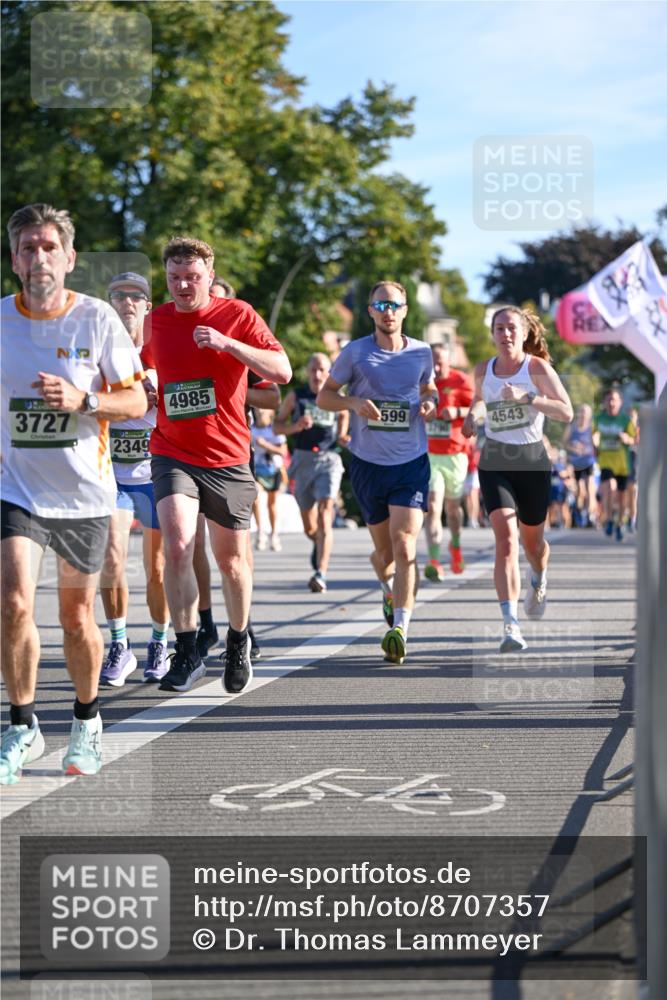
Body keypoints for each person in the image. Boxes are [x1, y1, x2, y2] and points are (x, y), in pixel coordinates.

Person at [1, 204, 146, 783]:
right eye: (28, 248)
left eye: (48, 247)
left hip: (85, 494)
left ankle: (86, 722)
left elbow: (135, 402)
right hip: (17, 488)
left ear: (69, 258)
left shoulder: (97, 319)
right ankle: (22, 726)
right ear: (15, 260)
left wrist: (82, 401)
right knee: (12, 602)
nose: (39, 258)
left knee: (76, 616)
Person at [141, 237, 291, 695]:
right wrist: (146, 387)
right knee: (179, 545)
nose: (183, 285)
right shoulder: (156, 321)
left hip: (227, 456)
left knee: (231, 563)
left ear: (209, 275)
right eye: (173, 278)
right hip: (171, 450)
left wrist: (229, 345)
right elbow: (142, 369)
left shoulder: (238, 315)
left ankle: (239, 638)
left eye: (192, 277)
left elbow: (282, 372)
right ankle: (186, 651)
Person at [316, 281, 437, 664]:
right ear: (370, 310)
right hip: (368, 464)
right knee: (383, 553)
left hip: (411, 461)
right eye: (380, 304)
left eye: (394, 305)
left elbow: (428, 388)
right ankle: (388, 589)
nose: (388, 311)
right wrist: (353, 401)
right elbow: (324, 395)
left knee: (404, 545)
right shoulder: (355, 353)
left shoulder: (422, 352)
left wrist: (431, 402)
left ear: (404, 311)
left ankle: (399, 628)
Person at [462, 306, 573, 653]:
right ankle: (511, 624)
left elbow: (566, 412)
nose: (505, 334)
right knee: (506, 540)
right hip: (495, 460)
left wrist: (528, 398)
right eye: (499, 328)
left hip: (532, 462)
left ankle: (538, 576)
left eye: (511, 328)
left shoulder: (536, 368)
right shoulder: (483, 369)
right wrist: (471, 416)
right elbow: (481, 402)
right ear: (492, 333)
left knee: (533, 546)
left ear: (524, 333)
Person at [98, 272, 171, 685]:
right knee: (111, 559)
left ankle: (160, 641)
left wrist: (159, 396)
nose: (127, 302)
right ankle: (119, 643)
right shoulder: (96, 351)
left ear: (147, 305)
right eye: (119, 296)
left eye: (135, 297)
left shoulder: (163, 350)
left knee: (157, 568)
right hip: (112, 476)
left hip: (155, 473)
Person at [273, 352, 348, 592]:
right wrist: (295, 426)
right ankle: (318, 541)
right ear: (307, 372)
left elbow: (345, 411)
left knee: (326, 511)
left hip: (329, 459)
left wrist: (343, 434)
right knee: (310, 527)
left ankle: (321, 573)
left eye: (322, 370)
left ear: (329, 372)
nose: (317, 375)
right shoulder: (297, 396)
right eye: (313, 370)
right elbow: (276, 425)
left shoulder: (336, 396)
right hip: (303, 459)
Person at [423, 342, 474, 581]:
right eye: (432, 361)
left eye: (440, 361)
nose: (436, 366)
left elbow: (478, 409)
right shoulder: (423, 382)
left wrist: (457, 413)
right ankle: (434, 560)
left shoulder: (461, 381)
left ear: (448, 361)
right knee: (433, 506)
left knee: (453, 509)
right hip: (430, 453)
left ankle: (455, 546)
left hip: (456, 454)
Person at [593, 388, 637, 542]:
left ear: (620, 402)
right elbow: (593, 435)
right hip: (606, 460)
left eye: (614, 400)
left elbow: (635, 439)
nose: (611, 403)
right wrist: (595, 445)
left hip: (623, 464)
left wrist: (626, 439)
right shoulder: (598, 418)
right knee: (609, 489)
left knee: (622, 496)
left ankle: (620, 524)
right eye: (609, 400)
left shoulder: (625, 420)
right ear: (605, 402)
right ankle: (609, 519)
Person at [252, 409, 287, 552]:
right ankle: (260, 532)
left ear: (271, 412)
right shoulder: (251, 429)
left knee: (271, 504)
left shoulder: (275, 429)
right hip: (256, 470)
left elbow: (282, 451)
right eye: (258, 409)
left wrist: (265, 445)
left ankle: (274, 534)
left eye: (263, 409)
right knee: (255, 496)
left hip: (273, 470)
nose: (260, 411)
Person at [562, 403, 597, 527]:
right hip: (575, 463)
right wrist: (573, 447)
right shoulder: (572, 427)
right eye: (581, 412)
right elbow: (564, 443)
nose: (583, 415)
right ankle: (577, 516)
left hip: (588, 462)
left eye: (586, 412)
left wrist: (594, 445)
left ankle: (588, 516)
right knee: (577, 491)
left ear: (589, 415)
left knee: (589, 488)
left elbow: (596, 444)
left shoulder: (592, 428)